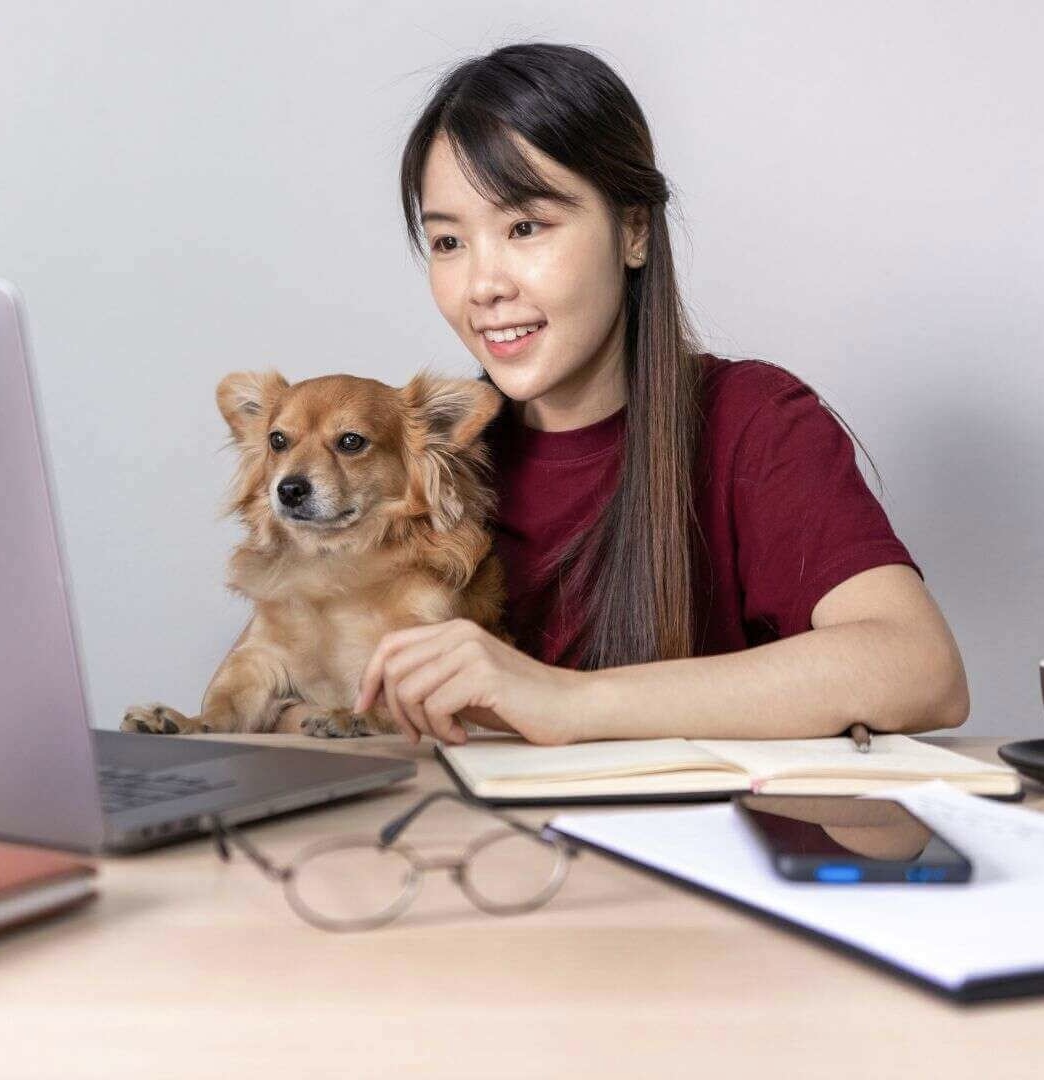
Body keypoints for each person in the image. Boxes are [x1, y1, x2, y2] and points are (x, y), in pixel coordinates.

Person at [353, 42, 970, 746]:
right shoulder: (424, 462)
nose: (483, 285)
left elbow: (921, 669)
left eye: (526, 227)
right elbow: (291, 682)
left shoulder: (753, 424)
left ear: (635, 230)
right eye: (448, 242)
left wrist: (566, 700)